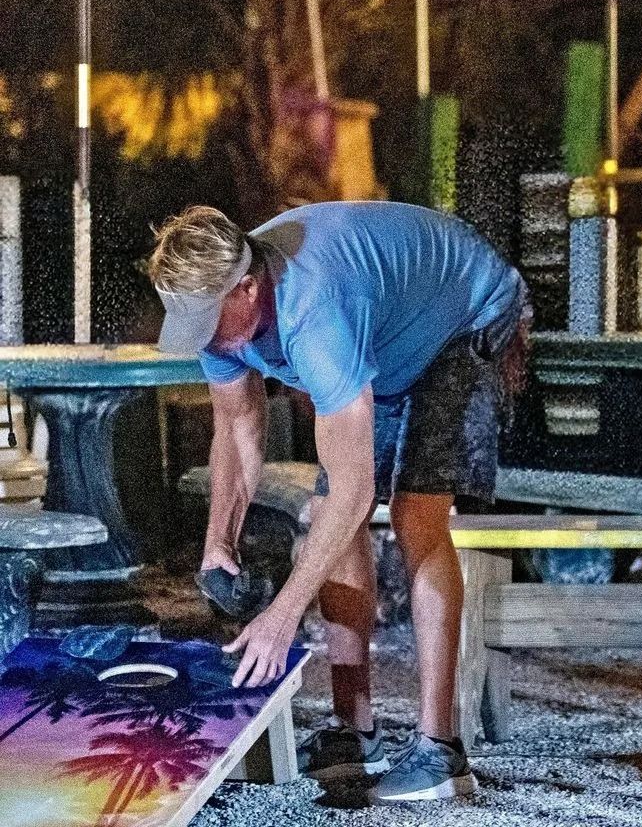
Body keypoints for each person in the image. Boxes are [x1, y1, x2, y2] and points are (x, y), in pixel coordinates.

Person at [148, 201, 529, 804]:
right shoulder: (216, 313)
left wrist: (283, 616)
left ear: (247, 289)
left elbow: (358, 493)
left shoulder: (316, 310)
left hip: (467, 315)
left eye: (209, 323)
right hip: (388, 333)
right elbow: (238, 427)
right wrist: (218, 542)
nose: (205, 339)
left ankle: (440, 751)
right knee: (332, 514)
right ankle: (355, 730)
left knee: (415, 514)